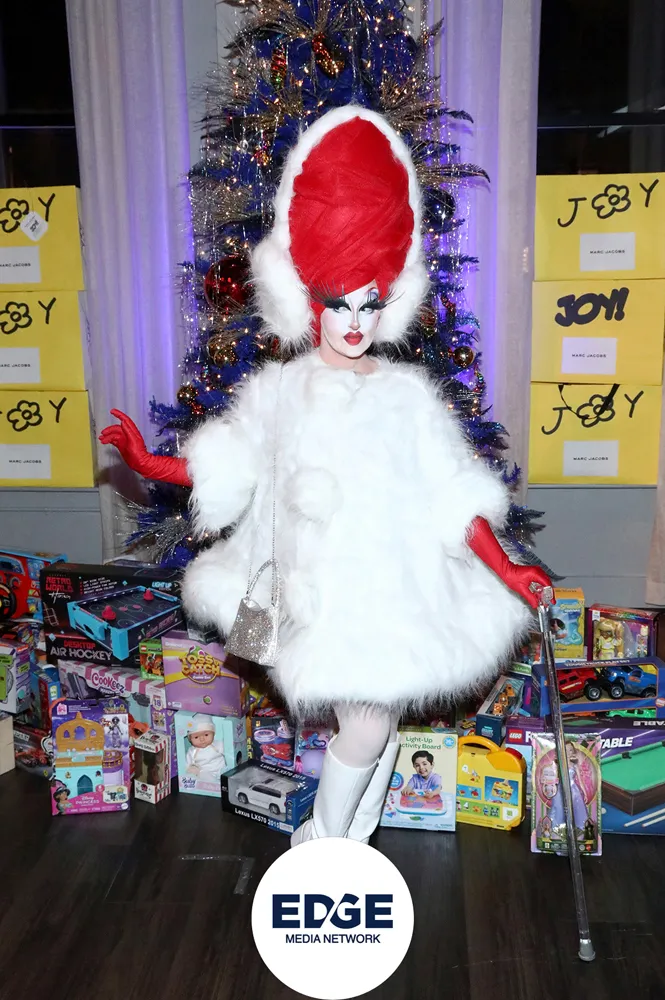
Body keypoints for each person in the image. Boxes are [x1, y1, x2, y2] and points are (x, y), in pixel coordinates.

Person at [100, 105, 551, 848]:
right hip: (314, 597)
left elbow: (454, 497)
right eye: (337, 301)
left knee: (381, 725)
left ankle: (348, 843)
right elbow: (230, 464)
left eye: (369, 301)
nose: (354, 320)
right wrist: (149, 463)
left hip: (393, 595)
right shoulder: (280, 389)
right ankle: (323, 842)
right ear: (306, 299)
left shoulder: (408, 396)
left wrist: (506, 568)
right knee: (367, 728)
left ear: (390, 299)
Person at [185, 713, 227, 783]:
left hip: (221, 769)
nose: (202, 739)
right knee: (203, 776)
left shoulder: (218, 744)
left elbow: (229, 751)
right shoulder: (192, 751)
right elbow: (187, 764)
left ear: (213, 734)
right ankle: (214, 784)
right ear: (190, 739)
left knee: (228, 772)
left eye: (206, 735)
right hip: (205, 773)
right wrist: (191, 770)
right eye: (196, 737)